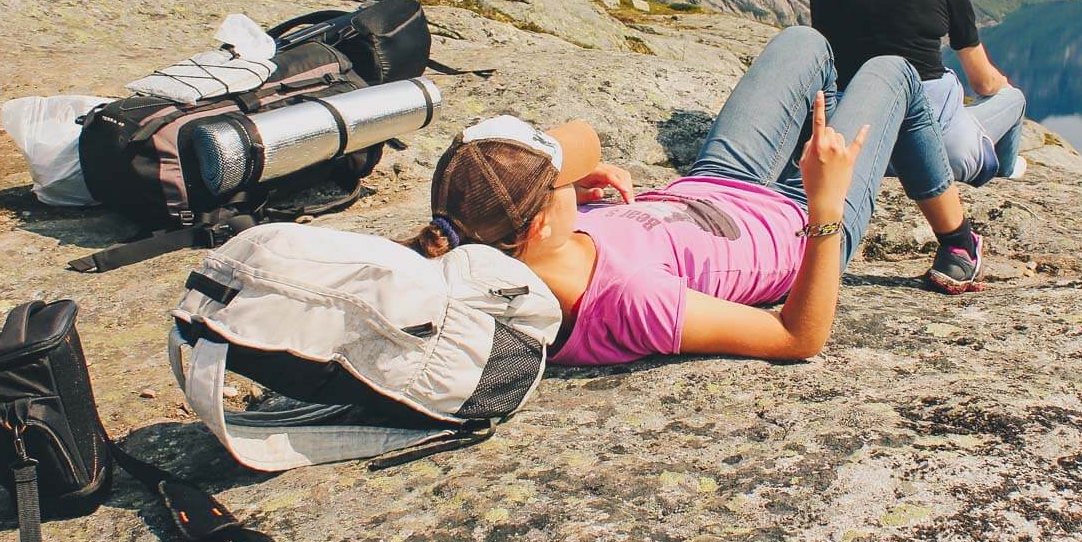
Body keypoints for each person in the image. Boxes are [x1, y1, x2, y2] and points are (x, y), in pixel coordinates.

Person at [400, 26, 973, 365]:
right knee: (894, 71)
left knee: (804, 41)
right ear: (537, 226)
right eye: (559, 182)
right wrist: (826, 204)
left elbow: (559, 163)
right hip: (801, 226)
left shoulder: (508, 239)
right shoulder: (629, 299)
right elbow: (797, 337)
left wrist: (580, 180)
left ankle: (830, 127)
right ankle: (958, 240)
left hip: (718, 179)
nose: (571, 175)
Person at [810, 0, 1028, 294]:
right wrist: (1000, 86)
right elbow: (984, 82)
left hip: (861, 154)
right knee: (1014, 99)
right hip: (947, 160)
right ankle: (1006, 171)